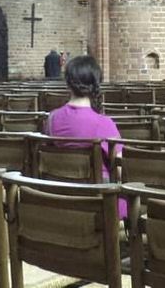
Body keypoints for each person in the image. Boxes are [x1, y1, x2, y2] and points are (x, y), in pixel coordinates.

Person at [46, 56, 124, 215]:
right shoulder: (104, 123)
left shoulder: (52, 119)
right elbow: (120, 168)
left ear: (68, 83)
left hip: (60, 195)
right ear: (96, 84)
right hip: (98, 198)